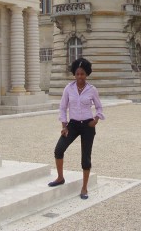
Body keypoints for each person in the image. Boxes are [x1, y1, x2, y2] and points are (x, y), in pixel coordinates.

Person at [48, 58, 105, 200]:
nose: (80, 76)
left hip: (87, 125)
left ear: (87, 75)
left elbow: (99, 107)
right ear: (74, 74)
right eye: (78, 74)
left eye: (83, 74)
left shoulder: (92, 90)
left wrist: (96, 119)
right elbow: (62, 107)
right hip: (72, 124)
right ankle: (60, 177)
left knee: (85, 158)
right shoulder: (69, 88)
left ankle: (84, 187)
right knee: (59, 149)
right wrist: (64, 125)